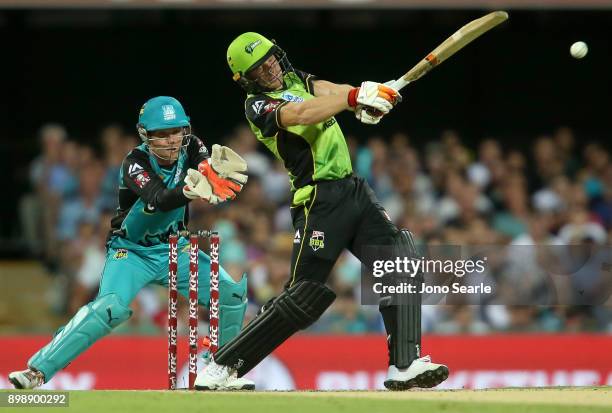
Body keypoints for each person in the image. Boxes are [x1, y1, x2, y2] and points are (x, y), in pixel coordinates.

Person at [195, 33, 448, 391]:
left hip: (354, 190)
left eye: (270, 58)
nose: (269, 67)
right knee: (304, 296)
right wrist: (352, 98)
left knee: (401, 260)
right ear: (246, 80)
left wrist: (365, 95)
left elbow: (327, 89)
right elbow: (303, 111)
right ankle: (222, 367)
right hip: (319, 200)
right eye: (258, 67)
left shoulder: (294, 76)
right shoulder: (258, 107)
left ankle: (404, 364)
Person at [9, 96, 254, 391]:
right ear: (145, 135)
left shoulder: (190, 145)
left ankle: (221, 369)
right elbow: (160, 200)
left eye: (176, 131)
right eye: (161, 134)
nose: (171, 141)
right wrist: (192, 191)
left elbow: (205, 168)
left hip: (176, 247)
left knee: (230, 294)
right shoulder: (134, 162)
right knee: (108, 309)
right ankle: (37, 371)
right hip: (131, 251)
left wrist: (212, 174)